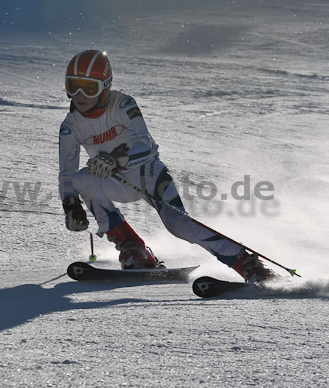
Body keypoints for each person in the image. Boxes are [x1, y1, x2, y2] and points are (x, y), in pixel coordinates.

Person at [58, 49, 278, 283]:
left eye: (89, 88)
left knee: (179, 226)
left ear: (105, 86)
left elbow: (144, 144)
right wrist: (71, 206)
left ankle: (247, 263)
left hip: (148, 175)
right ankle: (133, 249)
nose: (79, 95)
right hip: (115, 182)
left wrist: (115, 159)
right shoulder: (70, 126)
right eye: (73, 86)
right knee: (82, 179)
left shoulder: (123, 104)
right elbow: (67, 175)